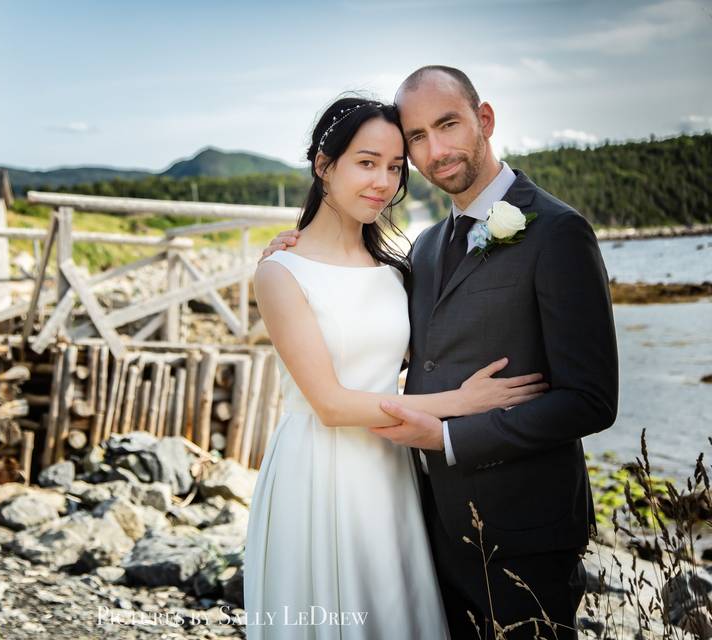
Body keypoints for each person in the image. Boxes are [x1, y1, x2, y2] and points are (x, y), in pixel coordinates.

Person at [261, 67, 619, 640]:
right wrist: (287, 259)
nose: (434, 151)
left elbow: (591, 401)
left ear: (485, 120)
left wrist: (449, 435)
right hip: (423, 517)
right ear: (324, 166)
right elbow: (374, 344)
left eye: (447, 125)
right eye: (417, 138)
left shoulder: (558, 231)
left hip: (523, 528)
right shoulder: (422, 250)